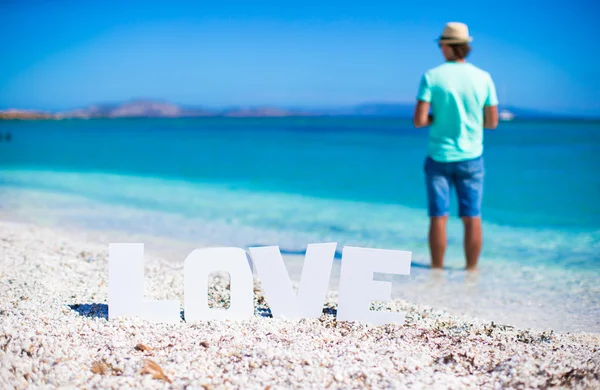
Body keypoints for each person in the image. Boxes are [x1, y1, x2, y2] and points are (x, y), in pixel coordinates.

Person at [413, 22, 499, 271]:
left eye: (441, 44)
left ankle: (437, 270)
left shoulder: (432, 76)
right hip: (471, 156)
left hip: (438, 155)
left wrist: (435, 118)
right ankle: (471, 272)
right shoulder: (483, 78)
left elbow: (419, 120)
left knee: (438, 217)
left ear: (448, 47)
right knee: (472, 216)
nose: (440, 48)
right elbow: (492, 122)